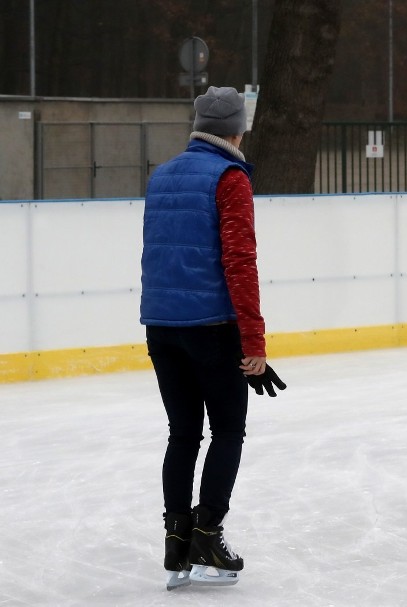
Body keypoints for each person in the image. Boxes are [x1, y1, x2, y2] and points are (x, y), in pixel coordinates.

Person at [140, 85, 286, 589]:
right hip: (211, 328)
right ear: (238, 130)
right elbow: (239, 263)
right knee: (227, 430)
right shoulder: (228, 177)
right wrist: (253, 344)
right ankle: (208, 532)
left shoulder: (163, 176)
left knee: (183, 433)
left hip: (161, 326)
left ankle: (176, 540)